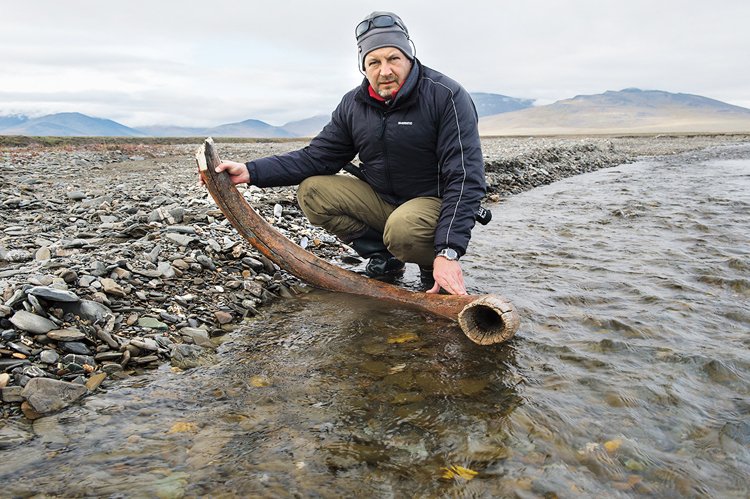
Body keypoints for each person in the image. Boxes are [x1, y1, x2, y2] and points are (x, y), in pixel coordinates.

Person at [214, 11, 486, 296]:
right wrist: (250, 171)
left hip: (432, 204)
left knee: (403, 229)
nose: (385, 71)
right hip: (384, 200)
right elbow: (316, 157)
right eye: (374, 62)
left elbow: (465, 177)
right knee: (314, 191)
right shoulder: (355, 104)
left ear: (409, 57)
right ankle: (386, 258)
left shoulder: (445, 95)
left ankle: (432, 266)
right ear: (363, 66)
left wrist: (449, 251)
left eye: (394, 58)